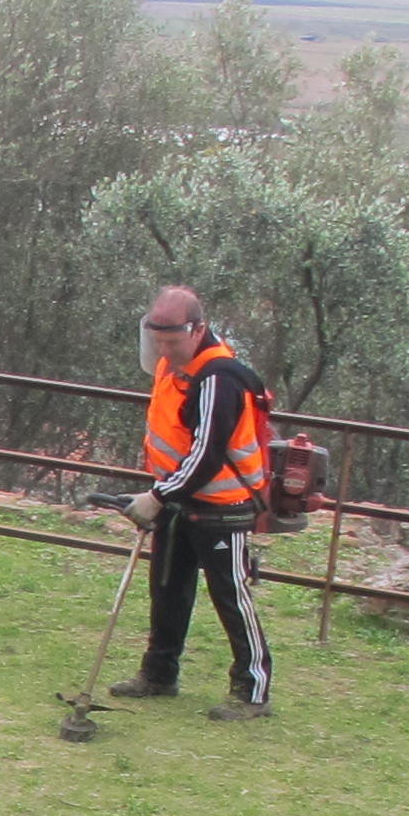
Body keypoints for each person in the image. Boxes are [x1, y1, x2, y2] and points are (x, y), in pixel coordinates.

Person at [115, 285, 274, 720]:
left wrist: (156, 496)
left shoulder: (219, 379)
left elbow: (207, 455)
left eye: (173, 342)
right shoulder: (171, 366)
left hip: (221, 505)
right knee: (167, 588)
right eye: (158, 342)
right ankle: (159, 674)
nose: (165, 352)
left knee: (231, 594)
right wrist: (163, 493)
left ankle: (253, 690)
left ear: (198, 329)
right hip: (177, 498)